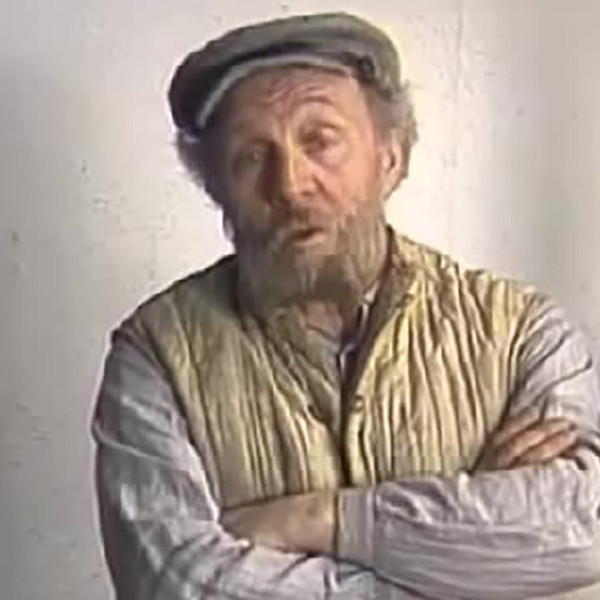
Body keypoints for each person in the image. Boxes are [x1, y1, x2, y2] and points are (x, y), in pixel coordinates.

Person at [92, 12, 600, 600]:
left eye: (321, 140)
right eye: (251, 157)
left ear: (391, 157)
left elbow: (585, 524)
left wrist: (324, 520)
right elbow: (172, 581)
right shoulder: (157, 357)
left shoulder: (519, 332)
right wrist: (469, 559)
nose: (291, 184)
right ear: (217, 188)